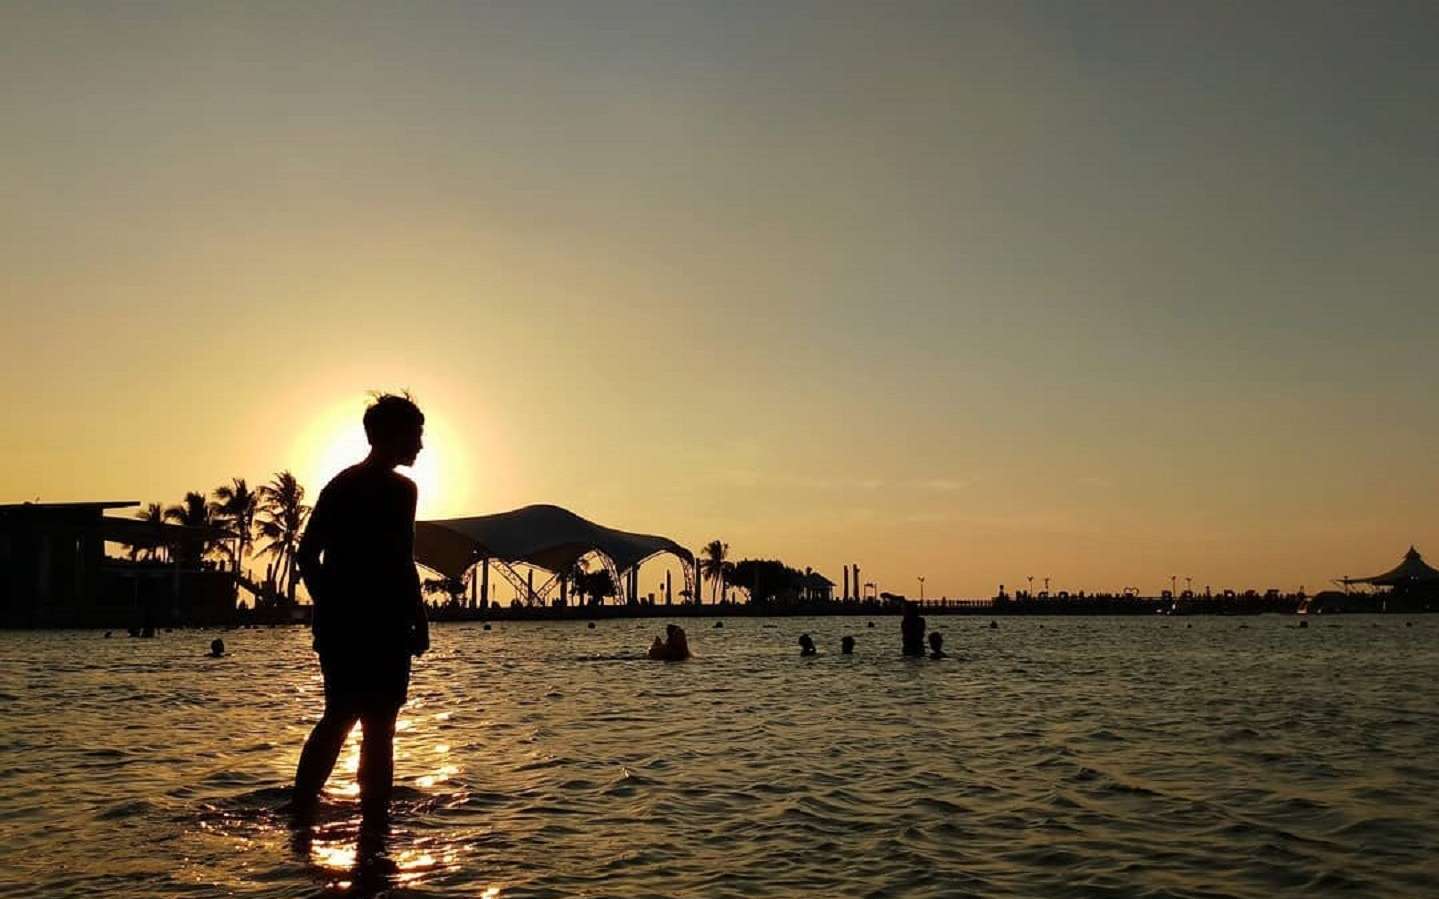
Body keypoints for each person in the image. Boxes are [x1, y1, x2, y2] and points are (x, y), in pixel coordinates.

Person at [291, 393, 430, 819]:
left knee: (372, 723)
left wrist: (417, 620)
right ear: (390, 436)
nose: (421, 446)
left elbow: (402, 561)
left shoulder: (400, 489)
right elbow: (307, 554)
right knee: (347, 718)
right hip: (357, 626)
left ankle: (367, 820)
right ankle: (319, 811)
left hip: (383, 625)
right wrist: (331, 605)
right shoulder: (347, 486)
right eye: (415, 436)